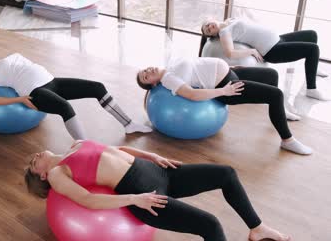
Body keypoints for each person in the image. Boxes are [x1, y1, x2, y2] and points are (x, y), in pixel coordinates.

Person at [25, 140, 290, 241]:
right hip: (142, 192)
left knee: (226, 174)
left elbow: (116, 150)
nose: (34, 156)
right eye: (32, 164)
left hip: (157, 172)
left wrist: (150, 155)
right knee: (210, 225)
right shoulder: (59, 175)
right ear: (43, 175)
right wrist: (135, 199)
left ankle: (257, 228)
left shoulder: (76, 143)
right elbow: (88, 200)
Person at [136, 56, 313, 155]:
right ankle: (287, 140)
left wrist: (228, 67)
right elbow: (193, 94)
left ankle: (281, 112)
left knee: (271, 75)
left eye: (144, 70)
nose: (146, 72)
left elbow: (199, 66)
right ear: (152, 84)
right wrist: (223, 92)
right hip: (226, 87)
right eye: (145, 77)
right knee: (276, 94)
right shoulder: (168, 80)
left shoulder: (170, 66)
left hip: (229, 73)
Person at [0, 53, 152, 139]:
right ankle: (85, 146)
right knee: (65, 108)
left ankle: (128, 124)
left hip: (52, 81)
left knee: (97, 87)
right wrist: (21, 99)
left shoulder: (2, 60)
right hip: (35, 92)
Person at [200, 18, 329, 101]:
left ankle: (313, 68)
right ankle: (311, 89)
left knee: (312, 35)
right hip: (272, 50)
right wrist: (251, 51)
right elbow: (230, 53)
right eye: (208, 30)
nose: (210, 27)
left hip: (279, 40)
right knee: (313, 49)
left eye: (207, 24)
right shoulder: (224, 33)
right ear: (212, 35)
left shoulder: (229, 21)